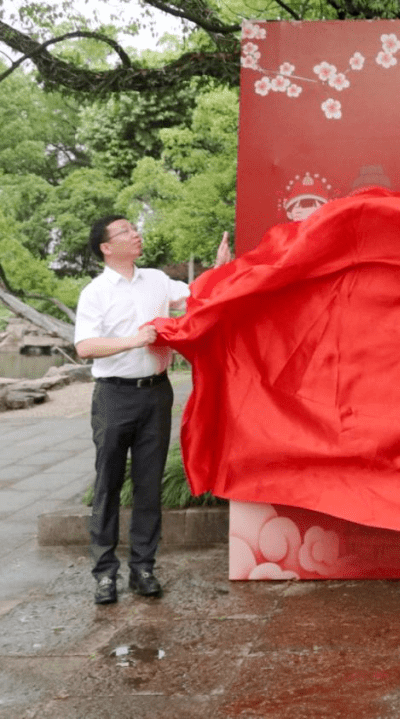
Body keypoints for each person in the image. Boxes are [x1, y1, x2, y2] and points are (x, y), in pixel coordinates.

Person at [74, 216, 231, 605]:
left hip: (155, 395)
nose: (135, 234)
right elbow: (85, 347)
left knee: (149, 484)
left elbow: (197, 294)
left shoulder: (157, 281)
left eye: (133, 229)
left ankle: (143, 568)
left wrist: (220, 268)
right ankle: (105, 573)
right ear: (107, 247)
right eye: (125, 231)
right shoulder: (95, 292)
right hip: (114, 397)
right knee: (108, 484)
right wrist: (134, 340)